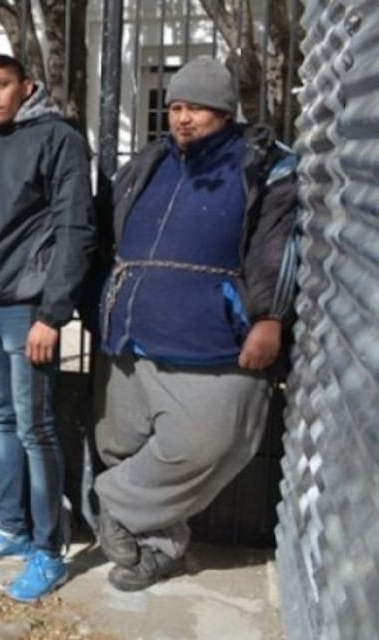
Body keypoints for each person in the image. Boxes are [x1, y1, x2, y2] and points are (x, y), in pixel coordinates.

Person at [93, 56, 298, 591]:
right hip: (135, 330)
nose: (183, 118)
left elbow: (277, 246)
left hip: (213, 337)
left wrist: (269, 316)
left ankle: (116, 504)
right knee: (123, 443)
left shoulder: (263, 163)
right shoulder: (151, 160)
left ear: (226, 112)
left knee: (212, 442)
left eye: (199, 108)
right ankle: (159, 549)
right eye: (177, 106)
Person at [0, 54, 97, 602]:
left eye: (1, 85)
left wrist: (53, 314)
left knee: (36, 428)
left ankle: (48, 552)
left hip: (28, 311)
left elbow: (76, 228)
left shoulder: (59, 140)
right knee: (1, 420)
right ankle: (9, 528)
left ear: (27, 87)